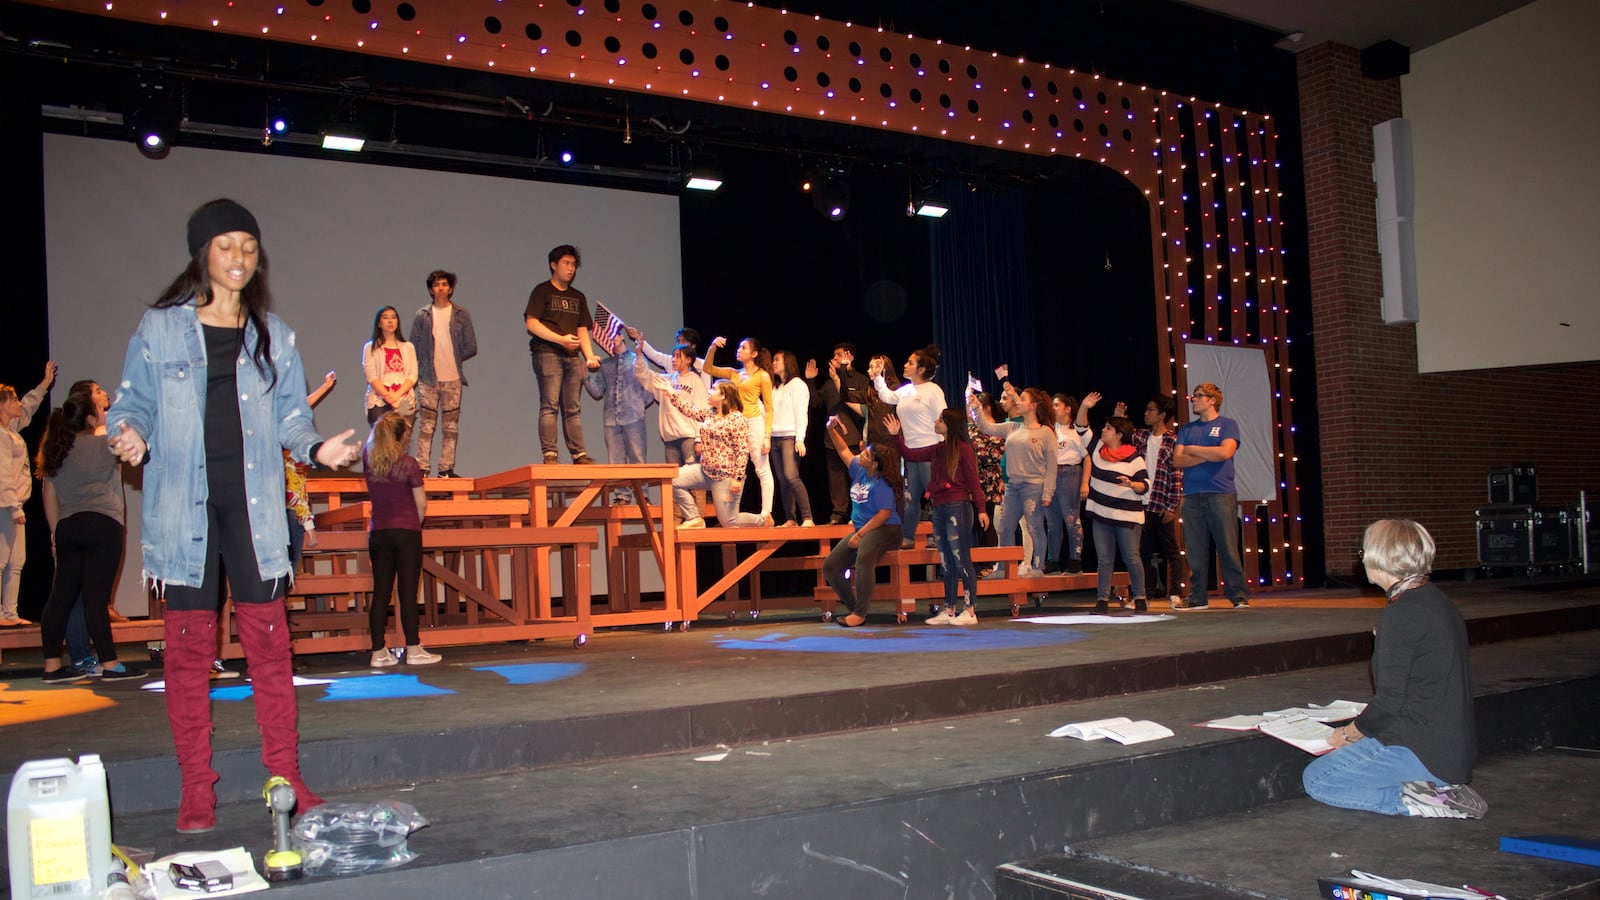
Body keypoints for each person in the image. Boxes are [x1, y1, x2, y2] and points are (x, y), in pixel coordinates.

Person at [107, 198, 361, 833]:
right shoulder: (160, 328)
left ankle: (286, 776)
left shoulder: (275, 334)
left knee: (270, 650)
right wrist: (130, 433)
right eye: (226, 246)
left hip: (255, 509)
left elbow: (293, 418)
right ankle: (197, 786)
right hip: (182, 508)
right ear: (203, 254)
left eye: (248, 247)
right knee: (188, 656)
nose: (239, 258)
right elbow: (132, 403)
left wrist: (318, 449)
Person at [1302, 519, 1486, 819]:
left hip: (1422, 749)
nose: (1361, 559)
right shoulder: (1436, 601)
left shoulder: (1402, 614)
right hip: (1450, 746)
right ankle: (1431, 787)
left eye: (1363, 552)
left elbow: (1389, 701)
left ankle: (1417, 799)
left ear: (1379, 558)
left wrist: (1347, 735)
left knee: (1318, 780)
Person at [37, 383, 144, 682]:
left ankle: (52, 667)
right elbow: (136, 450)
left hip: (68, 527)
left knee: (60, 598)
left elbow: (49, 493)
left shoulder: (57, 450)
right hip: (103, 525)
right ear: (89, 417)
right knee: (96, 599)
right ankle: (110, 664)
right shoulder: (103, 444)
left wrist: (56, 534)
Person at [888, 409, 987, 625]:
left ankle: (970, 610)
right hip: (940, 508)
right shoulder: (938, 449)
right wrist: (896, 436)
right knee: (946, 561)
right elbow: (910, 455)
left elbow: (973, 480)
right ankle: (949, 609)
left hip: (957, 507)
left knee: (961, 558)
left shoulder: (963, 449)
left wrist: (981, 509)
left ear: (950, 425)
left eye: (940, 419)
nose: (936, 421)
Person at [362, 412, 440, 668]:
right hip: (406, 532)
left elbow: (371, 443)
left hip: (379, 533)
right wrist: (414, 526)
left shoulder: (368, 460)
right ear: (402, 436)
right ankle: (413, 648)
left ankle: (378, 652)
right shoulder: (409, 464)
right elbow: (421, 503)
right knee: (407, 593)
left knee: (381, 593)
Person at [1172, 382, 1249, 610]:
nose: (1193, 399)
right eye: (1193, 396)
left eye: (1198, 396)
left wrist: (1193, 449)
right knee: (1195, 551)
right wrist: (1210, 454)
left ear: (1212, 400)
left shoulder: (1227, 424)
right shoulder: (1187, 429)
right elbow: (1177, 460)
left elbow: (1226, 452)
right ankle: (1197, 597)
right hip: (1191, 495)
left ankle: (1238, 596)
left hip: (1220, 493)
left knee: (1227, 547)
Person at [821, 416, 903, 627]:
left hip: (886, 529)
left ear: (875, 464)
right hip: (864, 529)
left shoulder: (882, 483)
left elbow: (884, 514)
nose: (860, 455)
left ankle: (859, 613)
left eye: (865, 455)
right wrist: (831, 429)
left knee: (864, 559)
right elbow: (842, 450)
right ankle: (855, 608)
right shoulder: (859, 469)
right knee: (831, 566)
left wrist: (859, 534)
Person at [524, 244, 600, 464]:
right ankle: (550, 454)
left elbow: (582, 329)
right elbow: (531, 324)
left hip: (572, 357)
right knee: (550, 405)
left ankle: (579, 454)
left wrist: (589, 355)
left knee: (573, 408)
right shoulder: (542, 291)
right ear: (553, 265)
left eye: (573, 264)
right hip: (547, 353)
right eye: (566, 263)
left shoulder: (578, 296)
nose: (571, 268)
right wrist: (560, 339)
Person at [969, 386, 1056, 576]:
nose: (1018, 402)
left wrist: (1048, 492)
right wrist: (976, 408)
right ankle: (1003, 568)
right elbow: (987, 427)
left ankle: (1037, 567)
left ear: (1033, 406)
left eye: (1022, 399)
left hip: (1034, 486)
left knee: (1034, 527)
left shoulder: (1045, 433)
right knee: (1004, 528)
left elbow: (1052, 466)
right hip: (1013, 486)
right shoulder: (1012, 427)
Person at [1, 360, 57, 626]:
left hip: (14, 506)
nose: (18, 403)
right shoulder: (1, 435)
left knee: (17, 560)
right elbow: (2, 474)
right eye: (13, 400)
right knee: (2, 559)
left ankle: (9, 613)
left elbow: (28, 407)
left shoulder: (10, 430)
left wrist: (45, 384)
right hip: (5, 506)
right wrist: (13, 507)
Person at [873, 346, 947, 549]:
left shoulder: (932, 390)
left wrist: (944, 449)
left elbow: (943, 418)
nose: (905, 365)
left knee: (936, 497)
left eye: (910, 363)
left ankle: (939, 535)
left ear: (921, 369)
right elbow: (886, 396)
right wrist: (878, 377)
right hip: (910, 453)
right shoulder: (906, 390)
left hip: (930, 451)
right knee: (910, 499)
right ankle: (907, 538)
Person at [666, 382, 768, 528]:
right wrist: (671, 392)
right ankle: (694, 518)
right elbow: (691, 410)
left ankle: (763, 520)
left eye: (714, 389)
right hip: (705, 471)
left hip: (725, 476)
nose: (709, 391)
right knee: (673, 479)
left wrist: (737, 478)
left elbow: (742, 450)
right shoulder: (711, 413)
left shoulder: (736, 418)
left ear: (724, 396)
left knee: (729, 521)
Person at [410, 269, 477, 478]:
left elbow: (471, 346)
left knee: (451, 427)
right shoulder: (422, 315)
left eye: (445, 284)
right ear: (431, 289)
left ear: (451, 289)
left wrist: (453, 357)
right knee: (426, 426)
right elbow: (413, 345)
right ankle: (421, 469)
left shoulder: (461, 314)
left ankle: (445, 469)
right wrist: (424, 364)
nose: (441, 288)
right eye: (437, 284)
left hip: (453, 378)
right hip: (428, 378)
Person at [1119, 394, 1186, 605]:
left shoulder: (1173, 440)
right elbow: (1122, 434)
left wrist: (1172, 506)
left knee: (1171, 550)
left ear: (1162, 414)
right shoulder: (1142, 436)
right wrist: (1119, 417)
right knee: (1142, 550)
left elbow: (1176, 474)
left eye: (1151, 410)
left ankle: (1176, 593)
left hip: (1161, 503)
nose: (1146, 413)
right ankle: (1144, 594)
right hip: (1140, 503)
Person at [1081, 416, 1149, 613]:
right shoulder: (1097, 451)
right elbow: (1081, 428)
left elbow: (1145, 485)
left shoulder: (1134, 458)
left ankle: (1140, 597)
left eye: (1109, 428)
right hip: (1102, 514)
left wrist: (1132, 484)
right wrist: (1085, 406)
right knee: (1104, 560)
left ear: (1119, 435)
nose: (1103, 430)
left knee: (1131, 557)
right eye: (1104, 426)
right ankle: (1102, 600)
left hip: (1127, 516)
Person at [704, 336, 777, 519]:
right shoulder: (734, 373)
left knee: (761, 468)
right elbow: (707, 368)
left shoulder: (762, 376)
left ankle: (766, 513)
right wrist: (713, 347)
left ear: (754, 353)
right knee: (735, 467)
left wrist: (767, 436)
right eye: (739, 347)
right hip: (735, 423)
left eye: (743, 348)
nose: (738, 350)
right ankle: (731, 512)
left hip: (753, 423)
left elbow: (769, 408)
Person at [583, 326, 653, 498]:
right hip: (611, 420)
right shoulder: (606, 365)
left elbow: (649, 386)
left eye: (614, 336)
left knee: (638, 458)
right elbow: (598, 391)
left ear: (622, 337)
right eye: (609, 338)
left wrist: (638, 406)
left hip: (633, 417)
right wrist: (585, 377)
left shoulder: (636, 359)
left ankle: (643, 496)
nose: (612, 340)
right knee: (616, 461)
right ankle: (622, 495)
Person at [805, 343, 871, 524]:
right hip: (833, 439)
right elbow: (816, 402)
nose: (834, 358)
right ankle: (838, 514)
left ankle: (859, 513)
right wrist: (810, 381)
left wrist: (864, 437)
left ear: (850, 357)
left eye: (839, 355)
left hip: (855, 438)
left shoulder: (861, 380)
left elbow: (866, 407)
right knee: (836, 481)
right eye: (834, 355)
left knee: (858, 478)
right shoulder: (829, 383)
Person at [635, 341, 707, 471]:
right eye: (673, 356)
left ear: (688, 360)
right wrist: (639, 355)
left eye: (678, 356)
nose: (674, 359)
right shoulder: (667, 380)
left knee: (692, 474)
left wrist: (699, 439)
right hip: (670, 438)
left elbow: (701, 411)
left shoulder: (695, 381)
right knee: (673, 478)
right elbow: (645, 376)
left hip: (688, 437)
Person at [1043, 393, 1090, 575]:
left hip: (1069, 473)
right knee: (1052, 522)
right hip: (1050, 474)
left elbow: (1087, 457)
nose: (1053, 408)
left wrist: (1085, 482)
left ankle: (1075, 561)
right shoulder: (1050, 429)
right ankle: (1053, 561)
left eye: (1057, 405)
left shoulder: (1077, 431)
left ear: (1068, 408)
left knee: (1071, 519)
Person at [770, 350, 814, 527]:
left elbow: (801, 413)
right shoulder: (775, 387)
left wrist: (800, 439)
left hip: (790, 436)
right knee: (782, 479)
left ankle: (808, 517)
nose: (773, 363)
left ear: (787, 362)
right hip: (774, 438)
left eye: (777, 360)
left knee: (791, 476)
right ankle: (791, 518)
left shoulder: (797, 385)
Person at [362, 306, 417, 426]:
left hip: (404, 401)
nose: (390, 321)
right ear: (379, 324)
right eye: (385, 318)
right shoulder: (370, 347)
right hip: (379, 401)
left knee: (401, 437)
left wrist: (397, 395)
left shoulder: (408, 347)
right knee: (383, 435)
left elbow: (413, 375)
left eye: (393, 317)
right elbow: (371, 376)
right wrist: (387, 396)